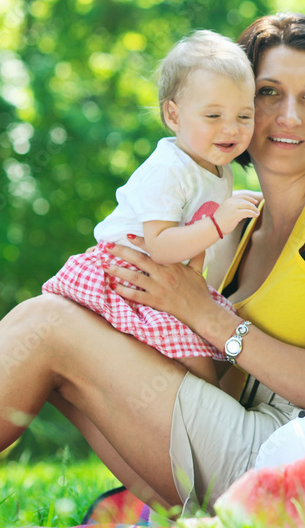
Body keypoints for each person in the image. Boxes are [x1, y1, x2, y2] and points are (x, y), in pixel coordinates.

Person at [0, 13, 305, 515]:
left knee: (47, 325)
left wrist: (207, 314)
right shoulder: (234, 222)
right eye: (268, 93)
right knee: (58, 326)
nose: (289, 116)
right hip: (241, 431)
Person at [42, 30, 260, 386]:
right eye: (213, 115)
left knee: (208, 359)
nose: (230, 128)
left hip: (159, 279)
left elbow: (195, 241)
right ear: (173, 116)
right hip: (123, 276)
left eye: (244, 116)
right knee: (199, 369)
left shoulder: (218, 168)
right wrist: (220, 224)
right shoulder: (169, 169)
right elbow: (159, 244)